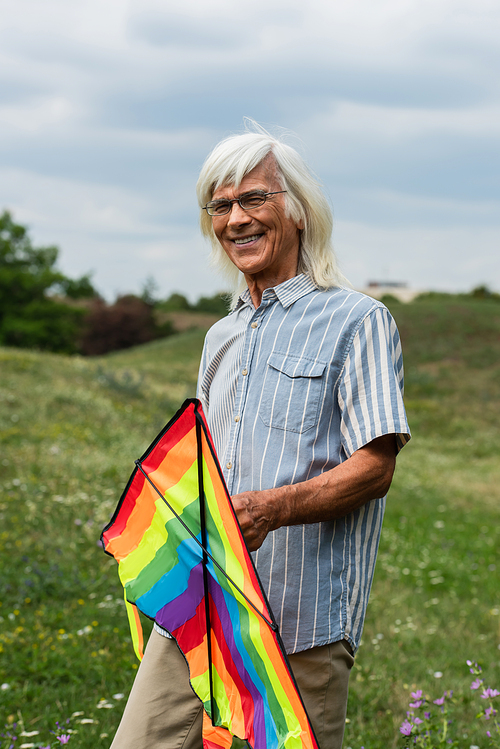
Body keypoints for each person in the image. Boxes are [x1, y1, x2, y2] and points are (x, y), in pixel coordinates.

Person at [110, 122, 410, 749]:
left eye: (255, 199)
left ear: (299, 212)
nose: (236, 219)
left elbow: (375, 468)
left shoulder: (358, 321)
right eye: (221, 205)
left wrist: (268, 510)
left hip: (297, 628)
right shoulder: (220, 337)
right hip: (201, 612)